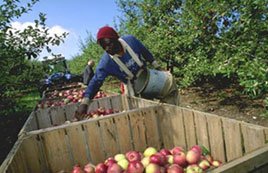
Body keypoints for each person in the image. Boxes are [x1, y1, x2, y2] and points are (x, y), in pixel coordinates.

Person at [75, 26, 179, 119]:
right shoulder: (106, 62)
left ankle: (173, 118)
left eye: (109, 44)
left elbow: (145, 52)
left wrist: (158, 67)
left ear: (116, 39)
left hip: (147, 76)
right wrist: (85, 103)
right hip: (132, 85)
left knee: (169, 87)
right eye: (104, 47)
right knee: (143, 114)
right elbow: (96, 81)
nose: (107, 49)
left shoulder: (131, 41)